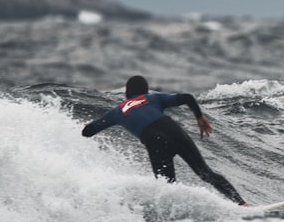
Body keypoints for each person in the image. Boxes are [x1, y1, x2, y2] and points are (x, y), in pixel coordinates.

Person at [82, 75, 247, 206]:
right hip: (174, 131)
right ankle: (243, 205)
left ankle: (176, 219)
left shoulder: (117, 112)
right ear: (145, 90)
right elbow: (188, 97)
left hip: (154, 142)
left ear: (126, 93)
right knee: (206, 173)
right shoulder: (152, 98)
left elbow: (88, 131)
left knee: (168, 188)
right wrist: (199, 117)